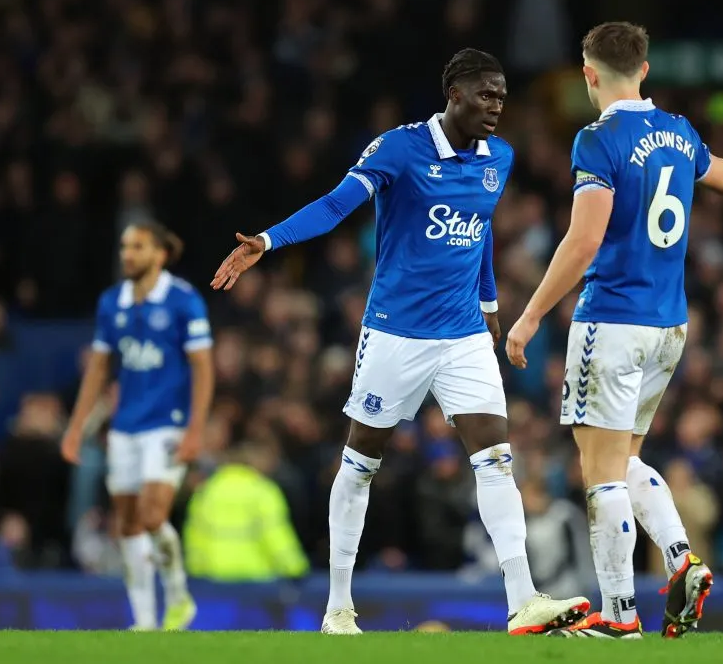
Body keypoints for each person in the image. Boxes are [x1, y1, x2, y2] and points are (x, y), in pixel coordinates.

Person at [211, 48, 589, 636]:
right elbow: (336, 205)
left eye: (502, 96)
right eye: (486, 94)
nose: (496, 106)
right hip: (395, 333)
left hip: (463, 335)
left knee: (496, 459)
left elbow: (479, 230)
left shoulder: (500, 157)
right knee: (361, 462)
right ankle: (338, 607)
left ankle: (523, 600)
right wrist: (269, 240)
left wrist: (489, 304)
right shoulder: (399, 148)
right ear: (454, 95)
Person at [506, 22, 723, 639]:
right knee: (625, 456)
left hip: (612, 320)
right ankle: (681, 557)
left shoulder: (597, 140)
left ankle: (620, 616)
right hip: (669, 326)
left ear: (589, 75)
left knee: (600, 471)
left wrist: (530, 315)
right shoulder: (679, 131)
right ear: (645, 70)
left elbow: (584, 240)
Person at [62, 223, 214, 631]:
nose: (127, 254)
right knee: (128, 522)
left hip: (168, 423)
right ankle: (145, 620)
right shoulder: (112, 302)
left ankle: (178, 596)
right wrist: (76, 427)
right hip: (124, 426)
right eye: (125, 246)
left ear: (159, 254)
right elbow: (98, 367)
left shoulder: (183, 300)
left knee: (151, 514)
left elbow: (203, 367)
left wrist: (196, 429)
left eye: (138, 247)